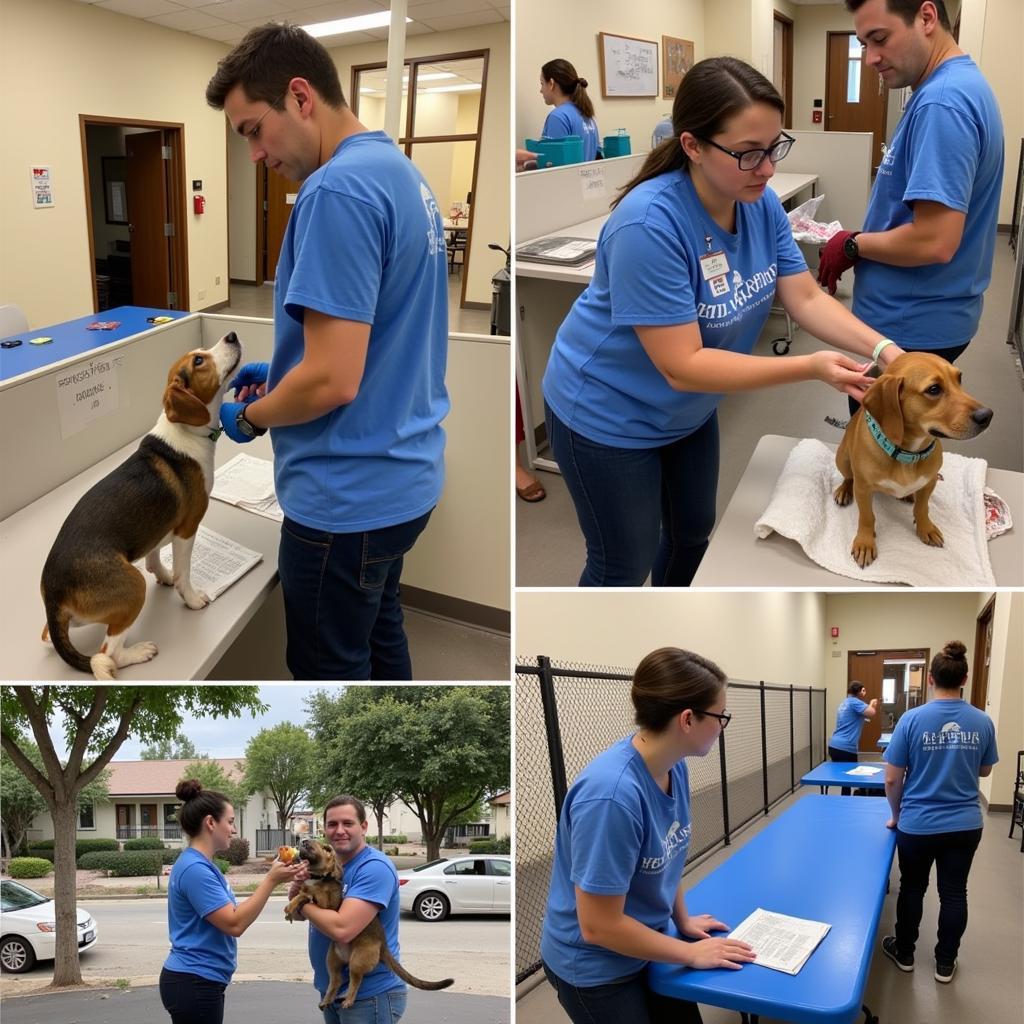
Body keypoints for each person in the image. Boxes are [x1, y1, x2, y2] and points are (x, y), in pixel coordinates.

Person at [541, 56, 903, 587]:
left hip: (685, 412)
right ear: (692, 145)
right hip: (605, 414)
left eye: (775, 148)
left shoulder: (757, 203)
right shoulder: (649, 224)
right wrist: (811, 367)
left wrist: (888, 352)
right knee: (622, 561)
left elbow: (802, 295)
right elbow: (683, 365)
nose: (768, 169)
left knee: (692, 534)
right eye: (749, 153)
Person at [205, 24, 450, 680]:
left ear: (301, 97)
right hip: (405, 478)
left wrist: (254, 416)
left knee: (330, 668)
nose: (255, 154)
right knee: (381, 636)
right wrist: (284, 374)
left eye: (253, 130)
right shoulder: (397, 171)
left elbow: (332, 381)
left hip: (347, 501)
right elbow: (376, 338)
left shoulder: (334, 190)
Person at [541, 647, 756, 1024]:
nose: (722, 726)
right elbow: (598, 925)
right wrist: (689, 953)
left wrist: (683, 921)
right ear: (688, 719)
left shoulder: (674, 766)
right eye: (721, 717)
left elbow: (665, 857)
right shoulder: (612, 796)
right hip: (596, 970)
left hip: (646, 944)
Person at [818, 0, 1004, 414]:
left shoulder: (943, 103)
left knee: (880, 462)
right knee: (898, 456)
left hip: (911, 326)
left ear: (926, 18)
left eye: (880, 39)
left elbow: (934, 242)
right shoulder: (950, 88)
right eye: (864, 43)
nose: (871, 58)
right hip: (924, 315)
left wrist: (854, 244)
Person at [881, 640, 997, 983]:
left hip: (918, 825)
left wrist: (897, 815)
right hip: (965, 825)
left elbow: (891, 778)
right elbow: (986, 771)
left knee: (913, 888)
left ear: (930, 679)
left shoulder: (911, 720)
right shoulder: (982, 721)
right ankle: (945, 963)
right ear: (964, 678)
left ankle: (904, 954)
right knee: (954, 892)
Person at [161, 779, 302, 1024]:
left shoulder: (202, 864)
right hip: (194, 981)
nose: (234, 830)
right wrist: (270, 881)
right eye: (230, 821)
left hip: (199, 980)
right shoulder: (195, 869)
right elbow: (234, 923)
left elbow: (231, 912)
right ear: (210, 823)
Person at [288, 795, 407, 1023]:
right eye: (332, 824)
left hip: (370, 997)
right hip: (331, 991)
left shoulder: (374, 868)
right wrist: (298, 887)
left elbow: (342, 929)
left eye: (348, 823)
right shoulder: (328, 868)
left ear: (363, 827)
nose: (339, 830)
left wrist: (302, 902)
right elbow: (295, 914)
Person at [538, 59, 602, 162]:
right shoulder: (587, 114)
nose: (541, 90)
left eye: (542, 83)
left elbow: (554, 165)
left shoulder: (558, 117)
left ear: (551, 84)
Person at [828, 681, 879, 795]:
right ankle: (846, 804)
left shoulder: (844, 703)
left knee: (843, 778)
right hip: (845, 748)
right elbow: (871, 713)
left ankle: (844, 801)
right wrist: (872, 703)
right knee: (848, 780)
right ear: (860, 691)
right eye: (863, 690)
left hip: (834, 746)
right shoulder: (855, 703)